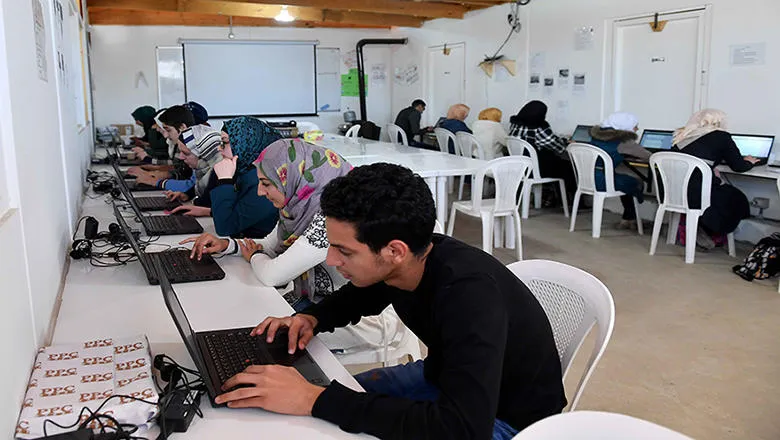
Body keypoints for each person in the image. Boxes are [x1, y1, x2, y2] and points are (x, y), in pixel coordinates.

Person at [211, 163, 567, 440]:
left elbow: (460, 428)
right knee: (319, 404)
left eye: (344, 250)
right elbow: (367, 291)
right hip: (446, 379)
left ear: (394, 251)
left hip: (506, 420)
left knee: (320, 406)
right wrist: (313, 319)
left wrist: (313, 400)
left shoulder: (469, 296)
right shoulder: (411, 259)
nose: (332, 260)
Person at [183, 139, 410, 355]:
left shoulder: (331, 217)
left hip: (364, 321)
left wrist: (254, 257)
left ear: (292, 177)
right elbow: (271, 246)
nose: (260, 192)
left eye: (266, 184)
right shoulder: (298, 208)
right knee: (249, 323)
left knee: (257, 337)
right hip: (323, 307)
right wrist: (228, 245)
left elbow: (272, 274)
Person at [170, 117, 279, 238]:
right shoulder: (244, 171)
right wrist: (208, 212)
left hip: (258, 248)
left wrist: (225, 181)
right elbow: (241, 212)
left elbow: (224, 228)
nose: (219, 148)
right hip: (244, 244)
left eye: (225, 143)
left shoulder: (263, 179)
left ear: (245, 143)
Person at [672, 109, 758, 248]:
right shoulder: (721, 136)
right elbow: (738, 166)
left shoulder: (682, 136)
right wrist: (749, 161)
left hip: (674, 193)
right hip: (697, 195)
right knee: (735, 197)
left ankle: (698, 227)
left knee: (721, 192)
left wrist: (709, 167)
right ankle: (714, 230)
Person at [589, 112, 651, 230]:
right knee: (636, 182)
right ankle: (630, 218)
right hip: (603, 181)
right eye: (635, 126)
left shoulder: (595, 137)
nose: (637, 128)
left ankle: (628, 219)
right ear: (625, 127)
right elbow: (649, 157)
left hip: (589, 179)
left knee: (624, 179)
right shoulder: (624, 141)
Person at [508, 101, 576, 200]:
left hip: (519, 167)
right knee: (568, 167)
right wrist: (567, 142)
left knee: (559, 164)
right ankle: (573, 201)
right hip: (534, 170)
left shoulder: (515, 124)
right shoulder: (538, 127)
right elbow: (557, 146)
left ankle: (558, 199)